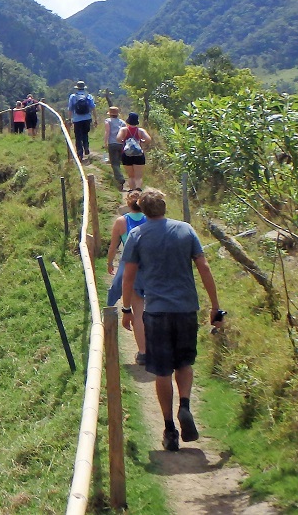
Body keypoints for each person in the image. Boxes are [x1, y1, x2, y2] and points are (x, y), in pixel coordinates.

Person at [120, 188, 223, 452]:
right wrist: (215, 306)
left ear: (142, 209)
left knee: (162, 371)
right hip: (186, 308)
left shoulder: (137, 235)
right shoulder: (185, 230)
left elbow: (128, 276)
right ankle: (185, 406)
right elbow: (204, 268)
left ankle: (169, 429)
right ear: (165, 207)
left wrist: (127, 309)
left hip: (156, 312)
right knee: (184, 363)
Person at [106, 191, 147, 364]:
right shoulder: (150, 219)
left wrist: (109, 263)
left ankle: (143, 352)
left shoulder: (121, 222)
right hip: (151, 267)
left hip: (130, 265)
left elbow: (114, 246)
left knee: (138, 312)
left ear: (128, 204)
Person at [117, 112, 151, 191]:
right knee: (138, 176)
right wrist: (142, 141)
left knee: (131, 176)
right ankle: (138, 191)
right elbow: (148, 139)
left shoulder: (124, 130)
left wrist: (124, 141)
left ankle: (132, 192)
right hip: (139, 154)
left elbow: (118, 139)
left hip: (126, 154)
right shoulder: (140, 130)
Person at [66, 80, 96, 161]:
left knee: (78, 136)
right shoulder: (88, 96)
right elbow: (93, 107)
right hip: (87, 118)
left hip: (77, 119)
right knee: (85, 134)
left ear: (77, 88)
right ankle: (86, 147)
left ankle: (80, 153)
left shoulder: (73, 96)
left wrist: (69, 119)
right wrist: (95, 119)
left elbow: (70, 109)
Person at [102, 106, 127, 189]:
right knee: (118, 162)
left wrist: (105, 142)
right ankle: (119, 180)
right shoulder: (122, 122)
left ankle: (120, 179)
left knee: (114, 163)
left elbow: (107, 132)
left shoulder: (108, 121)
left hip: (112, 143)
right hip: (121, 144)